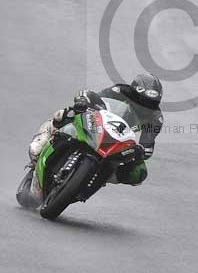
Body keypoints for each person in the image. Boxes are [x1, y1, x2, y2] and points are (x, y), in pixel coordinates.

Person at [28, 73, 164, 190]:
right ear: (133, 92)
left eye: (151, 103)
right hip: (98, 122)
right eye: (141, 100)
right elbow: (95, 96)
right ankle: (42, 140)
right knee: (65, 114)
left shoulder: (156, 118)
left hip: (119, 141)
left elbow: (148, 144)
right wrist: (83, 100)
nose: (145, 106)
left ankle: (99, 177)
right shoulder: (120, 90)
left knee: (139, 173)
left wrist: (141, 150)